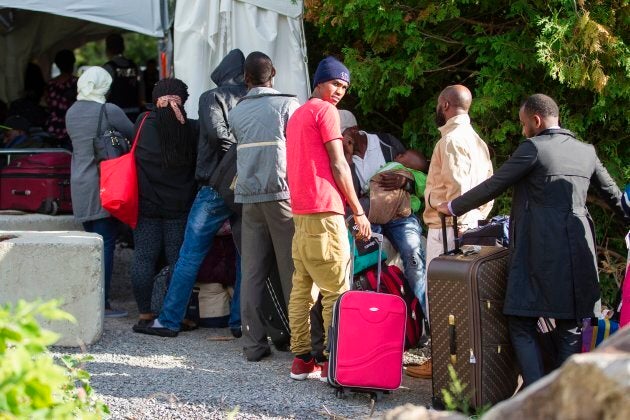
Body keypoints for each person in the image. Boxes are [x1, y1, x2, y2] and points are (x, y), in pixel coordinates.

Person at [436, 93, 627, 387]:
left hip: (538, 250)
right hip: (578, 251)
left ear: (536, 121)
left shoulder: (534, 149)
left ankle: (535, 392)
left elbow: (496, 184)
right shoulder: (585, 152)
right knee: (569, 325)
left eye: (524, 124)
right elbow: (614, 195)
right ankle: (562, 398)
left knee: (520, 320)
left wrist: (452, 206)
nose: (523, 129)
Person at [133, 49, 247, 338]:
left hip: (207, 190)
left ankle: (164, 318)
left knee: (180, 257)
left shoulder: (144, 124)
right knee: (246, 256)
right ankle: (239, 322)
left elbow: (217, 136)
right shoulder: (254, 99)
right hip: (241, 187)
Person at [286, 56, 371, 381]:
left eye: (345, 87)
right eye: (336, 83)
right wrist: (358, 210)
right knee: (336, 291)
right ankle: (334, 364)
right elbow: (338, 164)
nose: (340, 91)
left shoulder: (297, 116)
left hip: (301, 213)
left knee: (302, 289)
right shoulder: (325, 111)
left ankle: (302, 360)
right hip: (326, 210)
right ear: (320, 81)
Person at [228, 52, 300, 361]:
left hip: (248, 196)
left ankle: (253, 345)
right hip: (281, 194)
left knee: (252, 272)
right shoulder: (288, 105)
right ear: (275, 73)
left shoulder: (237, 110)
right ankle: (302, 343)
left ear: (245, 78)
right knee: (292, 271)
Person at [339, 109, 428, 318]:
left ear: (354, 130)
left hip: (399, 215)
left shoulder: (386, 143)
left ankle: (425, 317)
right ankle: (381, 319)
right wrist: (348, 159)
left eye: (342, 135)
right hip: (368, 217)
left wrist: (406, 181)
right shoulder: (342, 156)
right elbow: (348, 195)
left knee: (413, 255)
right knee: (371, 264)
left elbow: (418, 172)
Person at [65, 66, 134, 318]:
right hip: (104, 182)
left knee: (90, 245)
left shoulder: (71, 112)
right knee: (104, 245)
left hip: (79, 183)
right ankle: (102, 304)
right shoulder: (108, 110)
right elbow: (134, 133)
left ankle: (89, 301)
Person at [130, 78, 198, 332]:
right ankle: (178, 314)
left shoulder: (142, 123)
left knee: (144, 257)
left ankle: (145, 313)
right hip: (179, 206)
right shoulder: (192, 129)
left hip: (146, 204)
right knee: (178, 261)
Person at [423, 84, 494, 267]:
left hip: (449, 228)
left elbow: (457, 185)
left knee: (441, 292)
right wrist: (474, 218)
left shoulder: (451, 140)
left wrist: (460, 223)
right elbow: (489, 187)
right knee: (465, 291)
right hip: (472, 223)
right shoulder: (477, 141)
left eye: (439, 105)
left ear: (445, 105)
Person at [366, 149, 428, 225]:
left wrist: (407, 182)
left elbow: (425, 185)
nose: (398, 155)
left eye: (402, 156)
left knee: (408, 234)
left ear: (410, 167)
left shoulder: (415, 174)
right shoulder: (391, 165)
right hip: (378, 207)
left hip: (402, 216)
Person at [103, 34, 141, 122]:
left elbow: (104, 94)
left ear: (108, 49)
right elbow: (141, 90)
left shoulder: (108, 68)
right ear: (123, 47)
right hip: (135, 112)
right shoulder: (134, 66)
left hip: (115, 114)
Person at [45, 49, 78, 146]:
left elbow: (46, 104)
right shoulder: (78, 83)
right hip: (72, 129)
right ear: (73, 63)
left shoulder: (50, 85)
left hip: (52, 128)